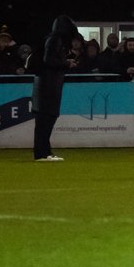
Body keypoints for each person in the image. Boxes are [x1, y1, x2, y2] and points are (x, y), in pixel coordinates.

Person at [31, 15, 77, 161]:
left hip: (45, 84)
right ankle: (42, 153)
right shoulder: (56, 40)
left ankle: (44, 152)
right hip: (49, 86)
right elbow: (49, 60)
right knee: (46, 119)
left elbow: (48, 59)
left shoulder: (52, 39)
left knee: (44, 120)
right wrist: (66, 64)